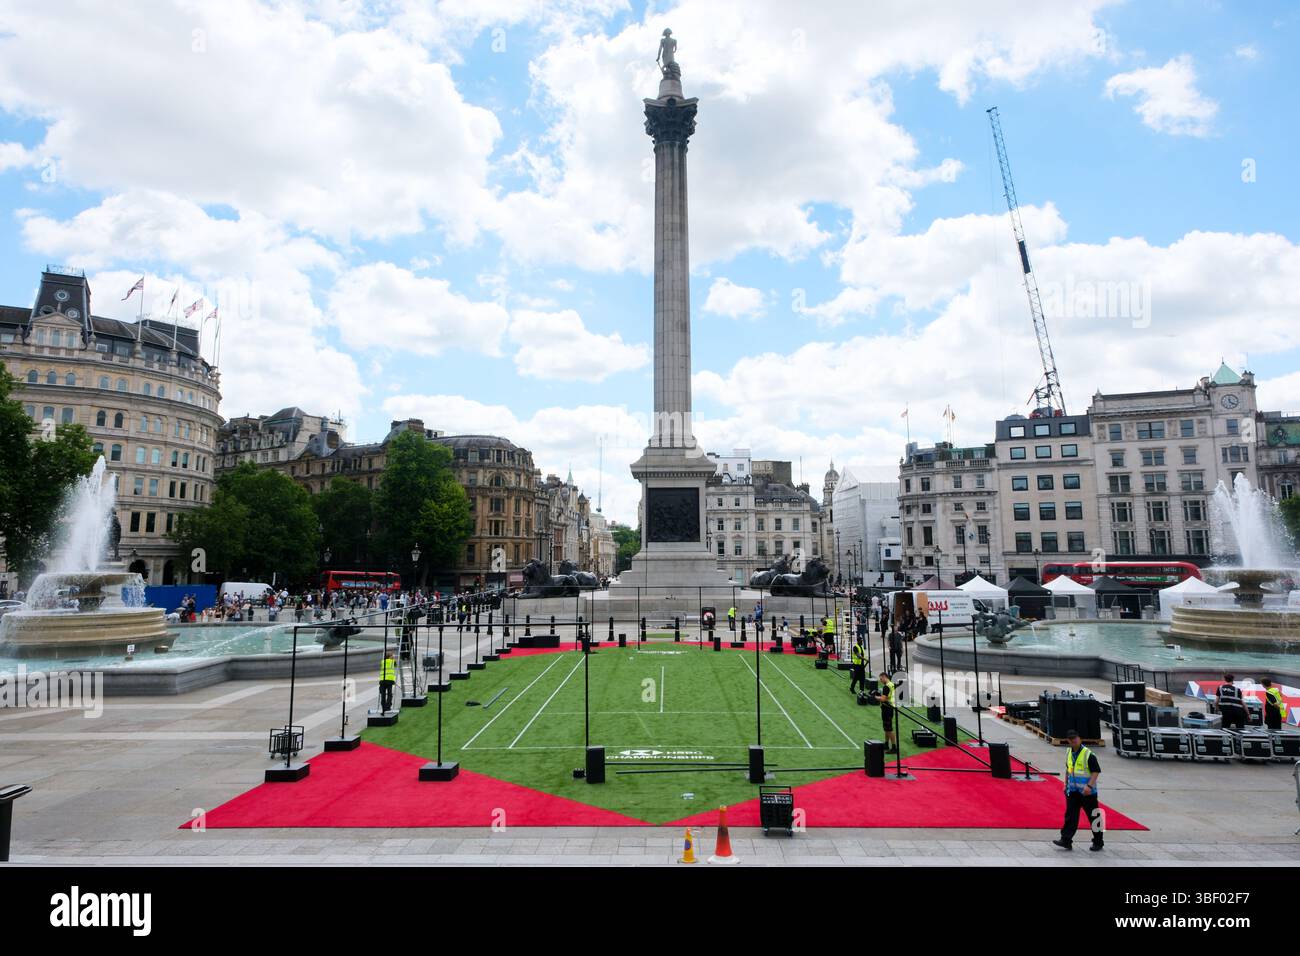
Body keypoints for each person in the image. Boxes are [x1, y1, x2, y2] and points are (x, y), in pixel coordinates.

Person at [1053, 731, 1104, 852]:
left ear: (1080, 739)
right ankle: (1066, 840)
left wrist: (1089, 786)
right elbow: (1068, 769)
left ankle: (1098, 841)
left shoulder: (1088, 754)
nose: (1074, 741)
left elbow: (1096, 771)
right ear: (1068, 741)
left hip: (1087, 793)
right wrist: (1065, 784)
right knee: (1070, 816)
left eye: (1075, 738)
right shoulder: (1069, 752)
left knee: (1094, 817)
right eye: (1071, 739)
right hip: (1073, 791)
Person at [874, 670, 899, 751]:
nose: (880, 681)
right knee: (886, 728)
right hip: (890, 708)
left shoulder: (886, 687)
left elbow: (883, 699)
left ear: (885, 677)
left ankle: (894, 746)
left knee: (889, 729)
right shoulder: (892, 684)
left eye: (881, 679)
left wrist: (876, 697)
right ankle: (886, 744)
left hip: (887, 709)